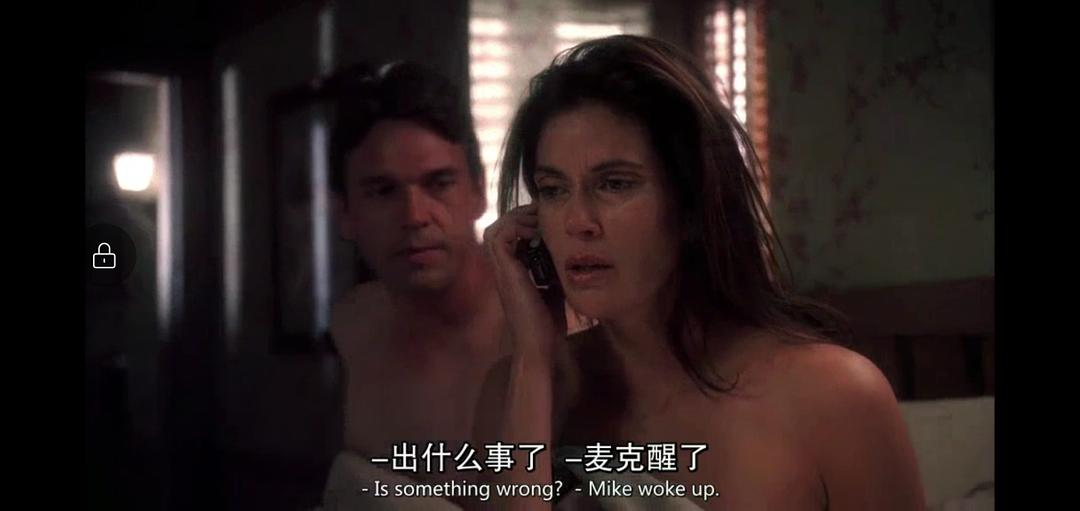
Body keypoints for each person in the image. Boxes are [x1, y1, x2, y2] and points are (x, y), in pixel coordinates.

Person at [478, 35, 927, 510]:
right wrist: (533, 364)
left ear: (692, 202)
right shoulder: (515, 391)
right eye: (553, 190)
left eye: (614, 184)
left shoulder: (835, 396)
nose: (577, 222)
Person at [323, 61, 509, 509]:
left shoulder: (551, 320)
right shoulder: (354, 324)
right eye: (382, 191)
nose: (414, 216)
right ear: (345, 212)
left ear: (478, 192)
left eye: (439, 183)